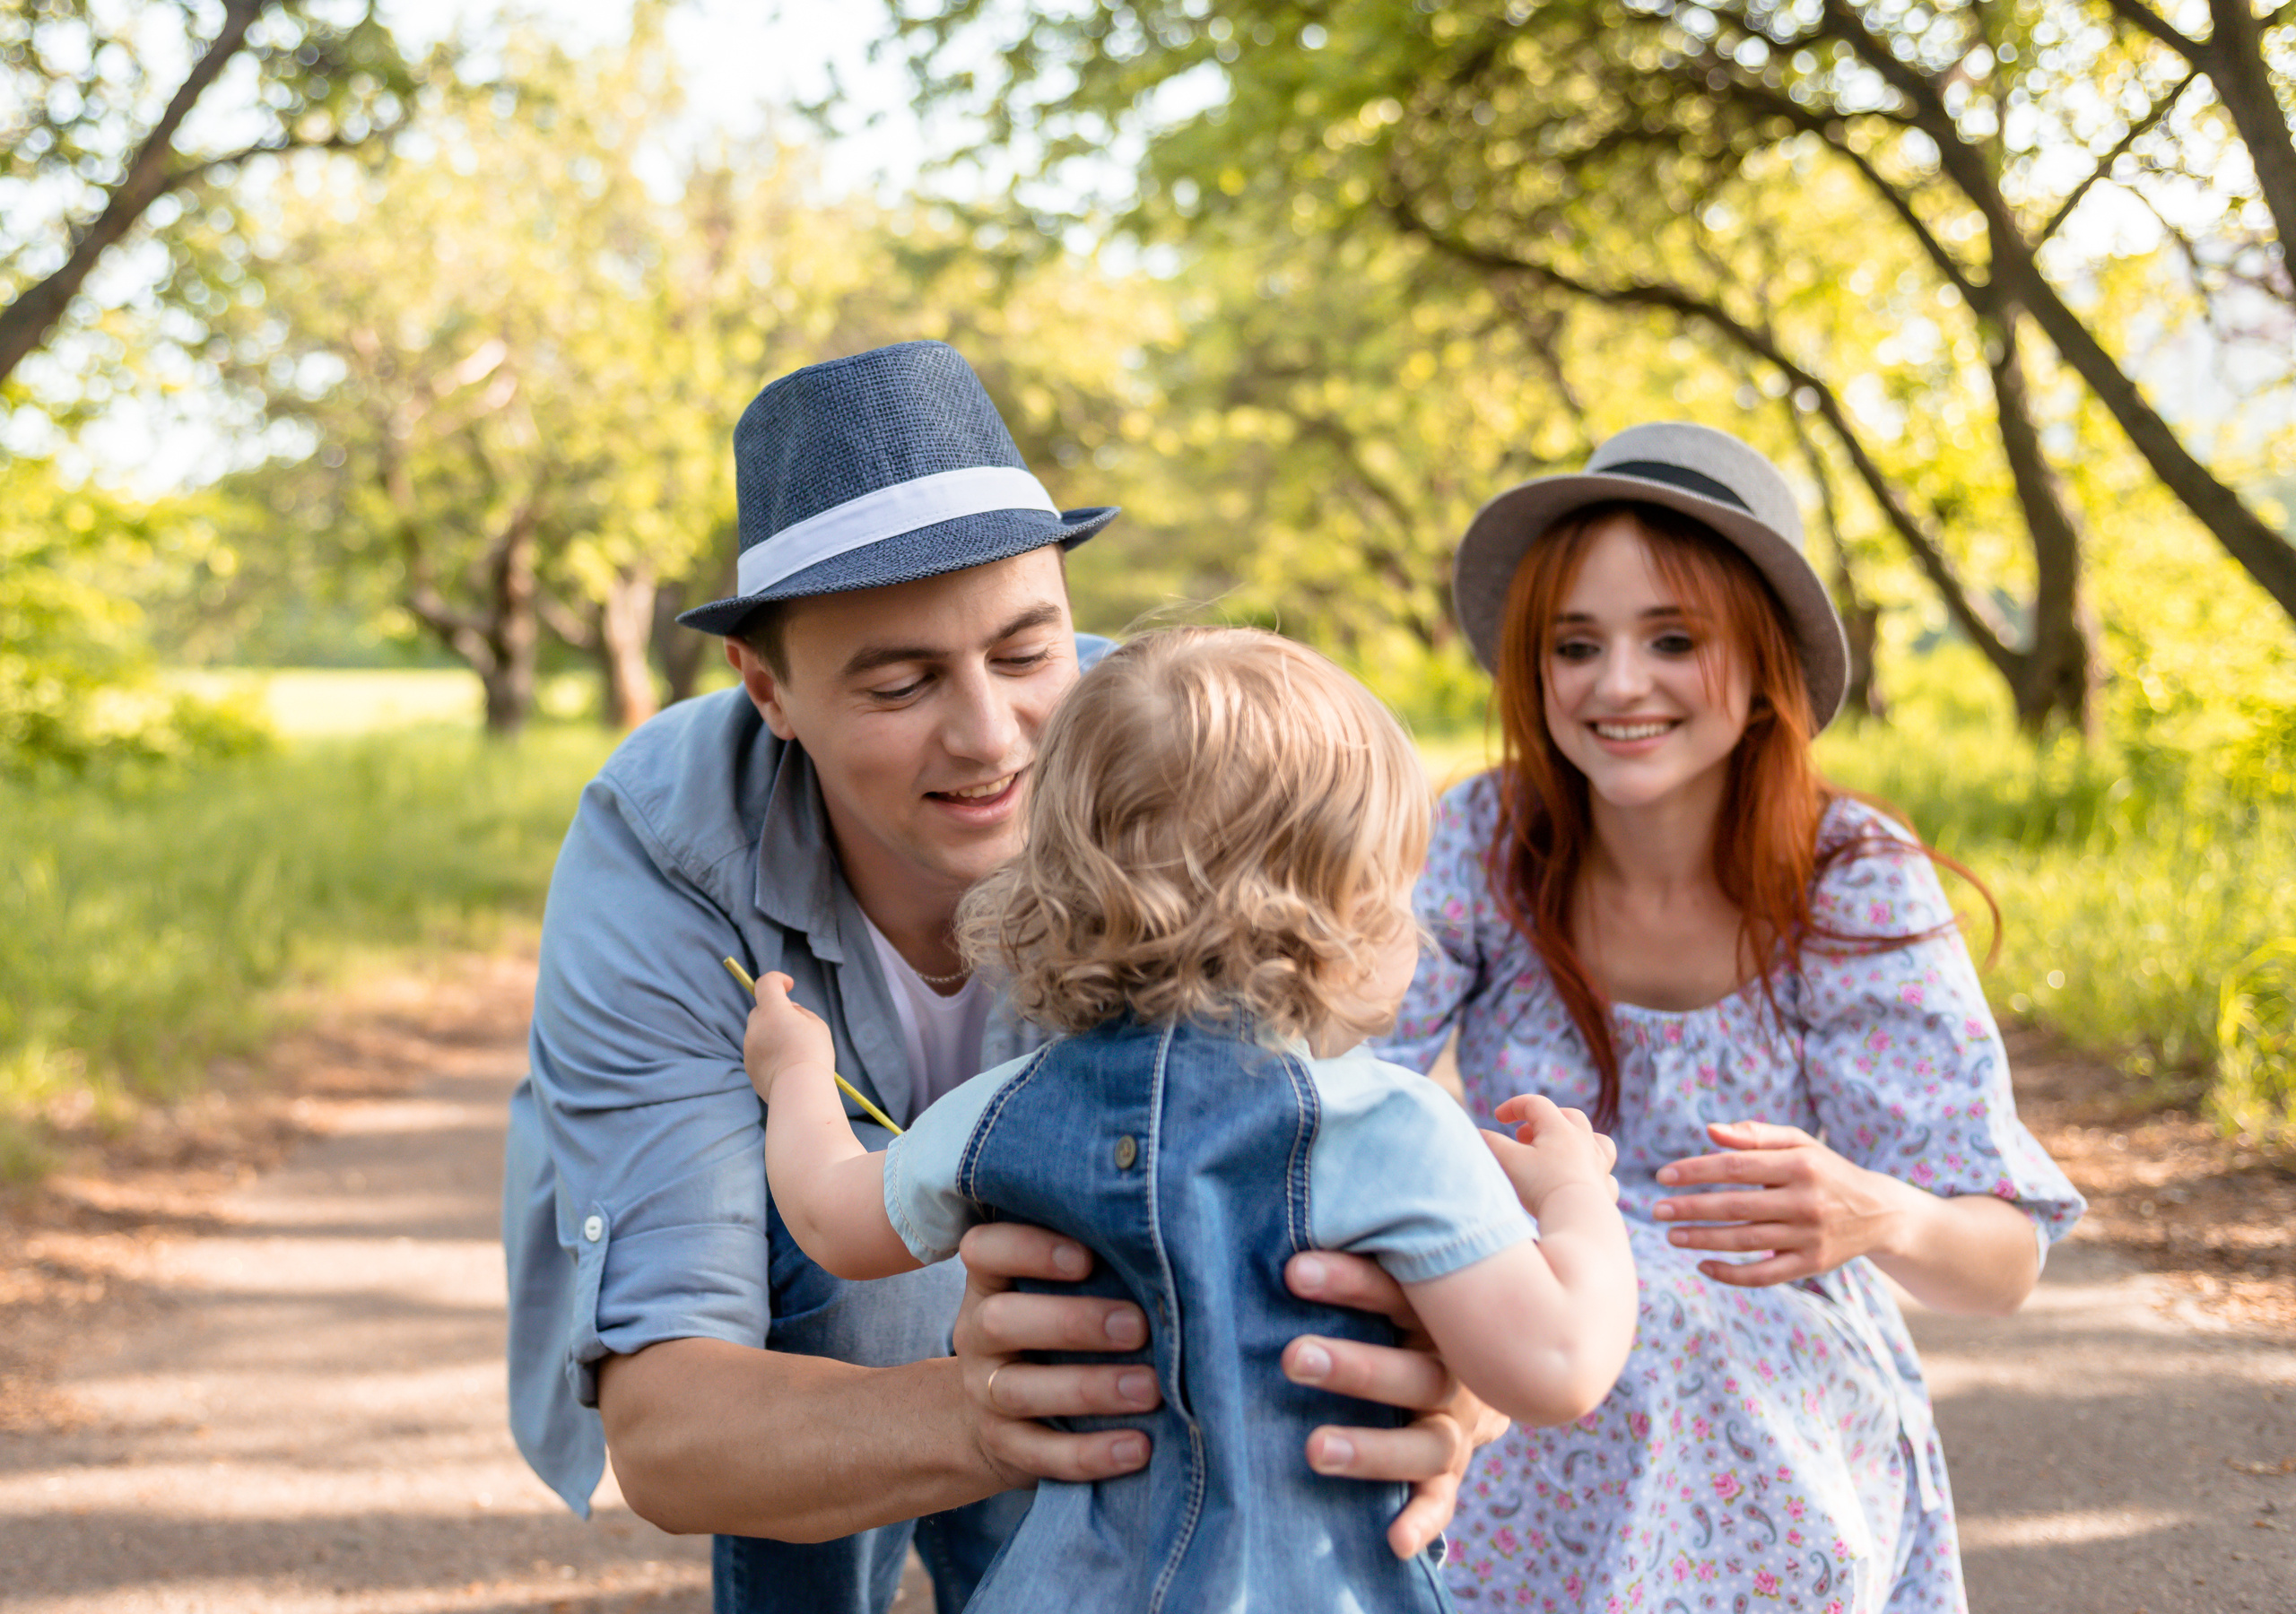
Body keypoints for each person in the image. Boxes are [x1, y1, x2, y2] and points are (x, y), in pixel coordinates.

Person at [500, 341, 1509, 1614]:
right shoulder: (663, 848)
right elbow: (671, 1432)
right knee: (883, 1300)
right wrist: (989, 1418)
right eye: (901, 682)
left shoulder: (1189, 757)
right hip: (828, 1334)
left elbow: (1336, 1161)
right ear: (769, 689)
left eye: (1028, 655)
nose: (989, 739)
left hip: (1087, 1354)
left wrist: (1446, 1371)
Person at [741, 626, 1639, 1612]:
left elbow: (829, 1216)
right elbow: (1559, 1368)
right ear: (1339, 915)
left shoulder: (1011, 1106)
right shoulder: (1392, 1129)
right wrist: (1577, 1199)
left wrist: (799, 1073)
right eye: (1397, 894)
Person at [1378, 423, 2086, 1612]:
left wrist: (1877, 1211)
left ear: (1763, 663)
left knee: (1658, 1345)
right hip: (1531, 1317)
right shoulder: (1486, 839)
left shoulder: (1847, 874)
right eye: (1574, 645)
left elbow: (2002, 1264)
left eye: (1673, 640)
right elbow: (1345, 1077)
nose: (1618, 685)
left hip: (1764, 1369)